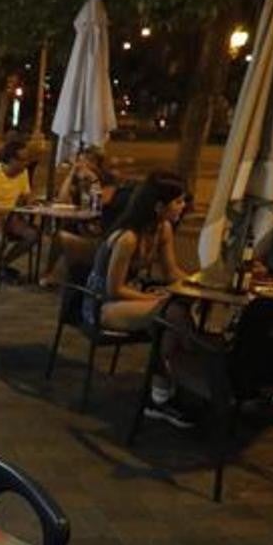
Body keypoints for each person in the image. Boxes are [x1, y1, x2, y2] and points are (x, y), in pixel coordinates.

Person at [84, 171, 192, 427]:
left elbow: (171, 272)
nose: (183, 206)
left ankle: (163, 388)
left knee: (174, 314)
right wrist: (152, 297)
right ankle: (162, 394)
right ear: (158, 207)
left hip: (129, 298)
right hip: (100, 304)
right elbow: (114, 289)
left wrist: (199, 285)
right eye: (178, 201)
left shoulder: (162, 228)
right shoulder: (128, 238)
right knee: (171, 314)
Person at [0, 140, 40, 280]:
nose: (26, 162)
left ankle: (0, 265)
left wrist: (33, 201)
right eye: (22, 159)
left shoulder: (23, 173)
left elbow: (26, 196)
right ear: (10, 160)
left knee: (32, 236)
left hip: (13, 216)